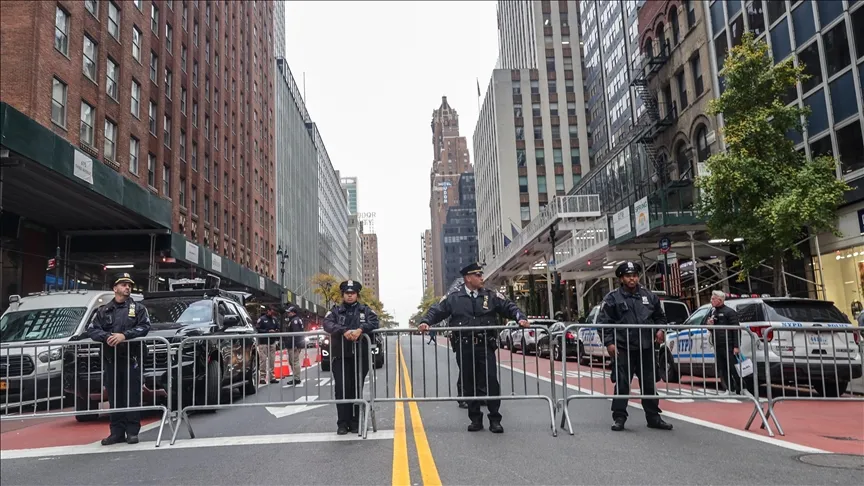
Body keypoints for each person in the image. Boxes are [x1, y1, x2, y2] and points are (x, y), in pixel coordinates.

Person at [418, 262, 529, 433]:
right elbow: (437, 310)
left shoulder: (490, 295)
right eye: (477, 275)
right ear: (468, 278)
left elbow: (508, 306)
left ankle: (495, 419)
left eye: (480, 275)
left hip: (485, 345)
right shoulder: (454, 297)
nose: (481, 278)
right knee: (469, 382)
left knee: (491, 380)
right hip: (464, 346)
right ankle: (475, 418)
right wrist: (425, 321)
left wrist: (520, 317)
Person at [598, 261, 673, 432]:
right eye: (628, 276)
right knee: (623, 384)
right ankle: (619, 417)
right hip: (623, 347)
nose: (632, 279)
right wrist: (609, 342)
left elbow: (660, 317)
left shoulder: (649, 296)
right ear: (621, 278)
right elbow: (603, 322)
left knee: (649, 383)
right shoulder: (612, 298)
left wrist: (661, 329)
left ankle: (653, 417)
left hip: (646, 347)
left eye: (634, 275)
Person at [86, 273, 151, 445]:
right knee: (115, 397)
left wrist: (124, 336)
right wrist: (107, 336)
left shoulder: (138, 309)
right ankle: (116, 432)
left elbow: (144, 327)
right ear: (115, 289)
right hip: (111, 360)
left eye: (129, 285)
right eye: (123, 285)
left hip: (131, 359)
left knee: (132, 395)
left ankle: (132, 431)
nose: (127, 287)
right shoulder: (103, 310)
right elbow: (91, 329)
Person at [323, 280, 379, 435]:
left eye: (352, 293)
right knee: (341, 389)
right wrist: (344, 331)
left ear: (357, 295)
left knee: (356, 389)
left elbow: (375, 322)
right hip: (340, 356)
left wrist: (361, 329)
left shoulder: (365, 310)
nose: (349, 296)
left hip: (360, 356)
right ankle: (342, 423)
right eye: (347, 293)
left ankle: (355, 423)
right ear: (343, 295)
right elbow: (327, 324)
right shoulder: (335, 311)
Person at [707, 290, 742, 395]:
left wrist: (736, 346)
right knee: (722, 368)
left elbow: (736, 329)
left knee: (733, 367)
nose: (711, 300)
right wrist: (709, 325)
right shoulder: (713, 312)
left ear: (720, 300)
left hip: (729, 344)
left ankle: (741, 388)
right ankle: (729, 389)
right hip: (718, 344)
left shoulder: (730, 312)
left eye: (713, 299)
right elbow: (711, 329)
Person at [256, 306, 280, 384]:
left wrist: (275, 331)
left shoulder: (274, 320)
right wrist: (267, 331)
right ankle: (262, 377)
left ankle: (272, 377)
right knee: (263, 360)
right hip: (263, 342)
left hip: (272, 342)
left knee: (272, 360)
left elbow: (278, 328)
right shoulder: (262, 319)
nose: (272, 313)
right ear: (268, 311)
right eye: (271, 311)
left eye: (273, 312)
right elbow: (258, 329)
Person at [282, 306, 305, 385]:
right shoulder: (295, 320)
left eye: (289, 312)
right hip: (293, 344)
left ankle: (296, 378)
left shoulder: (294, 321)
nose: (288, 313)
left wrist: (295, 344)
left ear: (293, 312)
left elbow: (296, 333)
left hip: (294, 344)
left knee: (294, 361)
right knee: (292, 361)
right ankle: (296, 377)